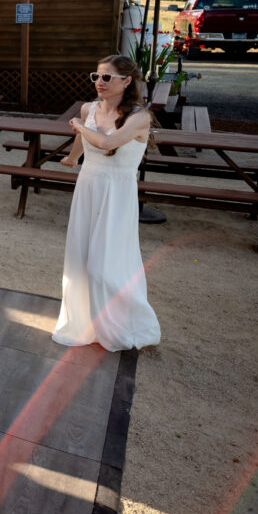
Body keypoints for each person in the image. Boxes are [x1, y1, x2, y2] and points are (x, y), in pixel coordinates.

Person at [53, 55, 161, 351]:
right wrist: (73, 158)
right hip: (89, 187)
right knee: (81, 260)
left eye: (107, 77)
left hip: (117, 193)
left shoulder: (140, 117)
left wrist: (77, 124)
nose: (99, 83)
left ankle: (123, 323)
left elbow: (105, 143)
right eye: (96, 77)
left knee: (106, 266)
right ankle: (86, 323)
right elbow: (84, 138)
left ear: (127, 81)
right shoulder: (89, 109)